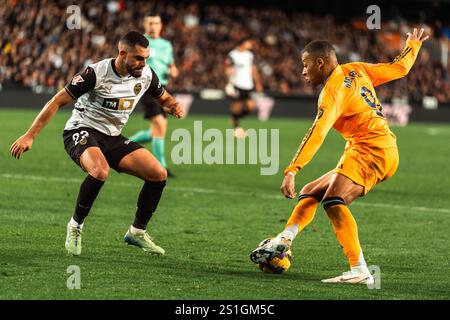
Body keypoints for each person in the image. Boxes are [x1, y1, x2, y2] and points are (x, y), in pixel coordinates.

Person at [250, 28, 429, 284]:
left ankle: (359, 269)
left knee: (334, 199)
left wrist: (292, 169)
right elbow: (399, 68)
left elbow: (317, 132)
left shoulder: (332, 92)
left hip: (371, 150)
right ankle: (285, 237)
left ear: (320, 63)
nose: (303, 71)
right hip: (375, 147)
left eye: (305, 65)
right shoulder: (356, 69)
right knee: (311, 192)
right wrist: (412, 45)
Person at [10, 31, 184, 256]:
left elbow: (164, 98)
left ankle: (137, 232)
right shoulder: (95, 73)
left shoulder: (147, 75)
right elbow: (56, 101)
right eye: (139, 58)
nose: (144, 63)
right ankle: (75, 226)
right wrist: (30, 135)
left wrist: (172, 106)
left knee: (158, 174)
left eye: (146, 58)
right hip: (81, 130)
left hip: (112, 137)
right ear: (123, 53)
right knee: (100, 171)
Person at [129, 14, 179, 177]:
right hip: (145, 86)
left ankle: (124, 144)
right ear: (145, 24)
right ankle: (162, 165)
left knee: (156, 132)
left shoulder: (166, 45)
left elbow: (171, 64)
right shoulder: (140, 42)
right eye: (150, 23)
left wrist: (173, 69)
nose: (153, 26)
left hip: (162, 87)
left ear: (161, 25)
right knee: (159, 124)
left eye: (156, 23)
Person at [225, 38, 263, 138]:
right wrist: (229, 83)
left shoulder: (250, 55)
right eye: (249, 42)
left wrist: (258, 82)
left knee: (251, 106)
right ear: (243, 43)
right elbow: (228, 69)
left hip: (248, 85)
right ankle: (236, 128)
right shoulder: (232, 54)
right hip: (237, 84)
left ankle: (234, 119)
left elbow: (253, 69)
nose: (251, 44)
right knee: (236, 106)